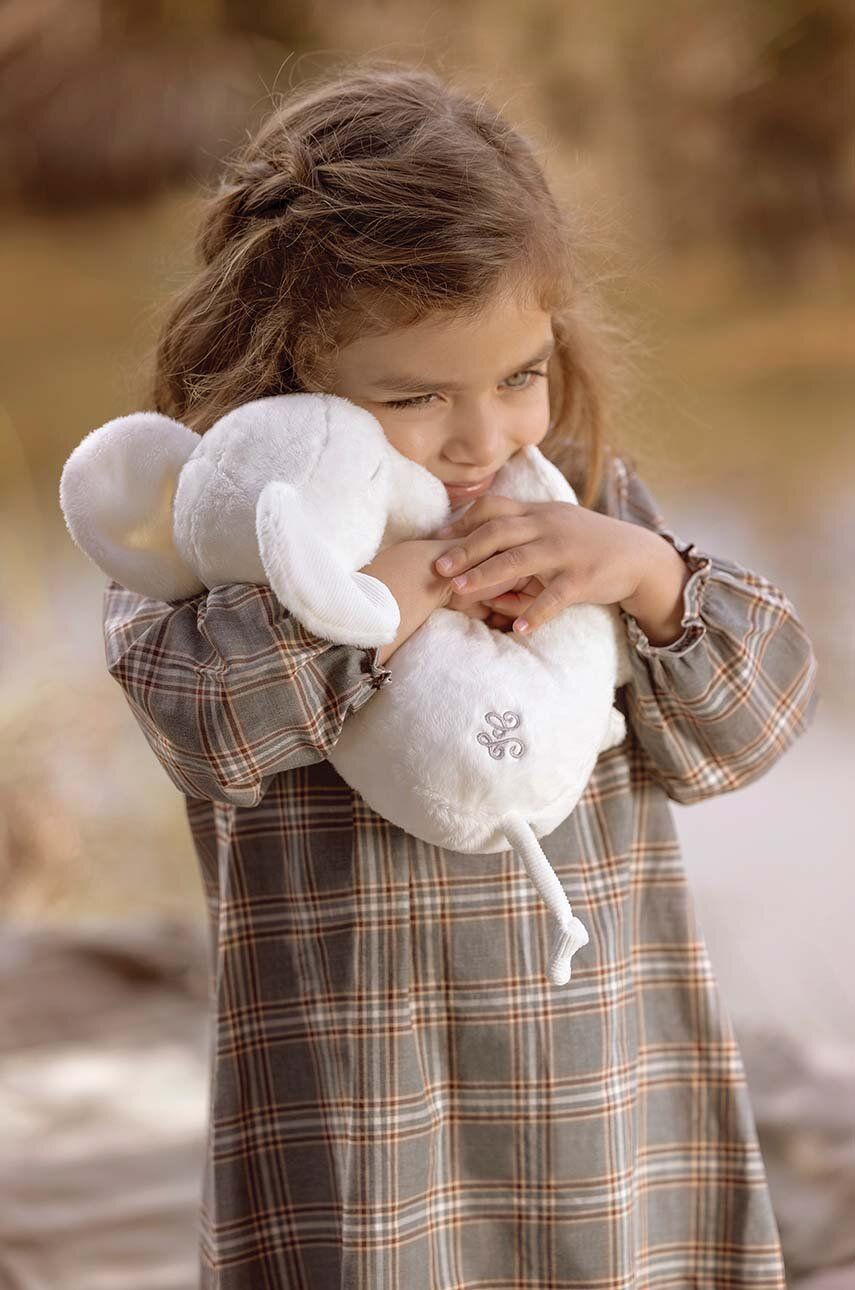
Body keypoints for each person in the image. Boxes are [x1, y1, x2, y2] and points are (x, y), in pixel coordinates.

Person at [101, 59, 819, 1289]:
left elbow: (753, 729)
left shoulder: (579, 507)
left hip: (605, 1092)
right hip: (372, 1120)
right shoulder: (211, 553)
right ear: (285, 379)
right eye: (416, 394)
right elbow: (206, 728)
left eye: (519, 376)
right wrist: (391, 592)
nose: (484, 439)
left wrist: (643, 571)